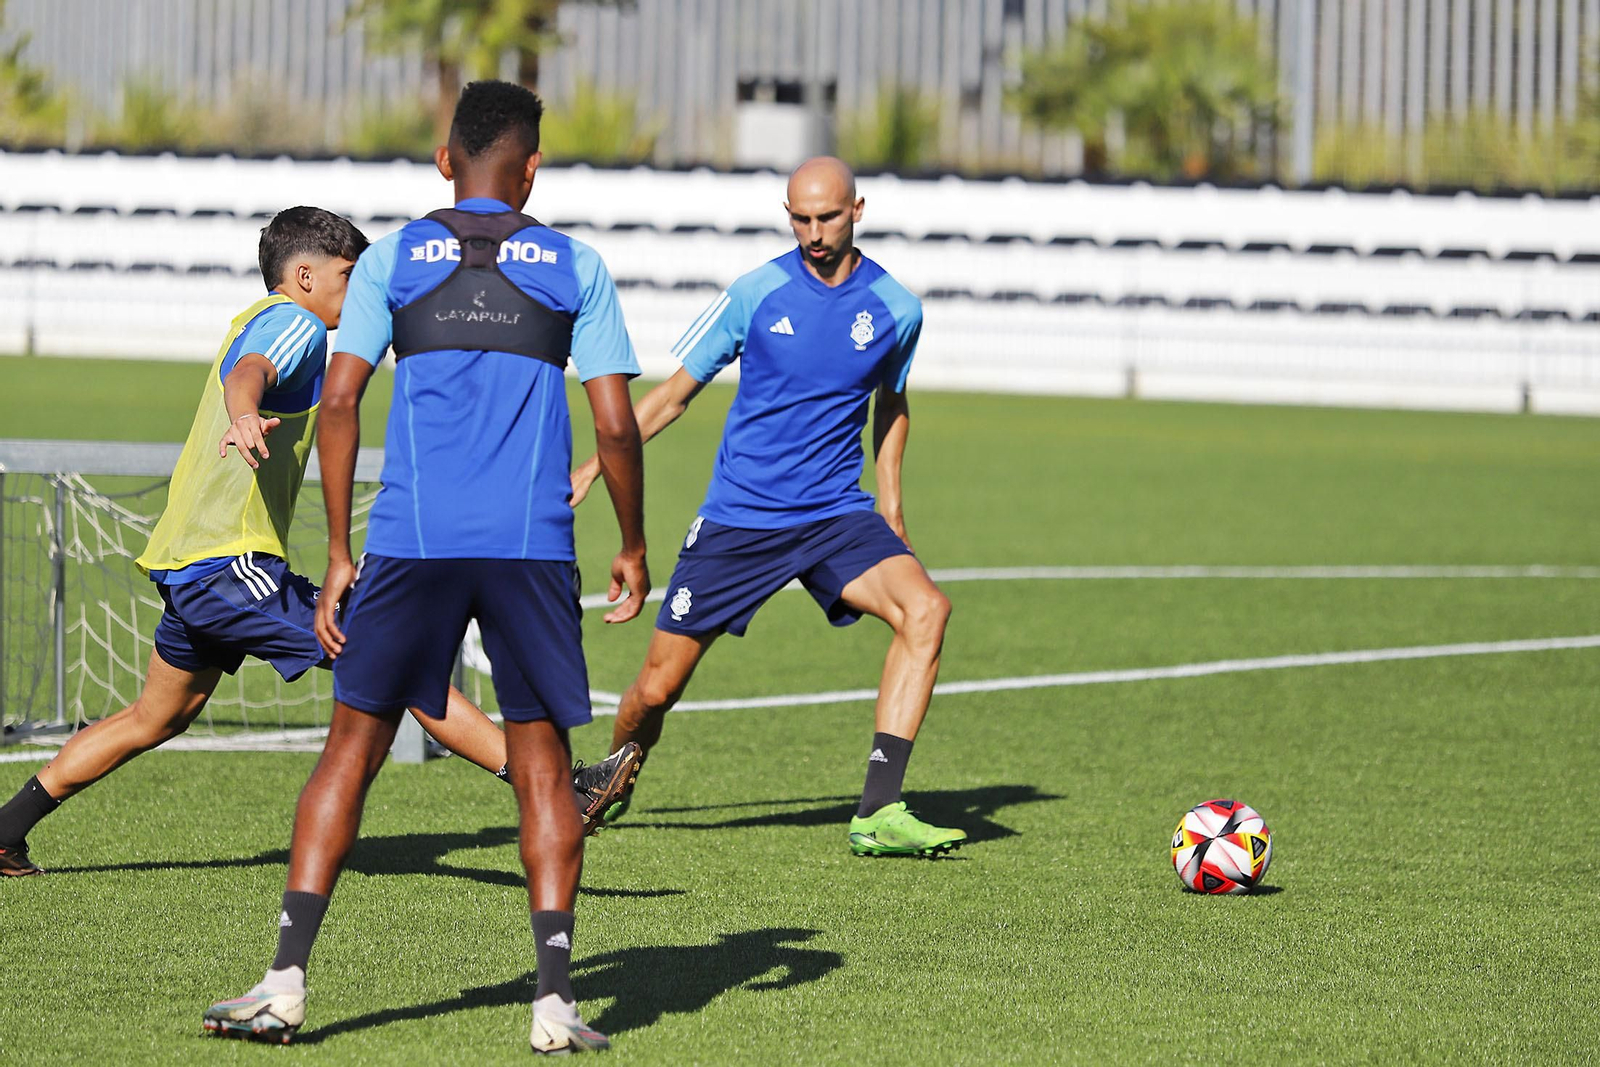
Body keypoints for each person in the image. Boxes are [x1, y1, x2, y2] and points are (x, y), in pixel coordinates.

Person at [203, 81, 648, 1054]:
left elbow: (339, 398)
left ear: (444, 159)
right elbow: (615, 422)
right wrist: (631, 542)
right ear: (531, 169)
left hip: (410, 541)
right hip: (531, 545)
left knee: (349, 752)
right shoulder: (576, 263)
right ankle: (553, 1003)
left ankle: (283, 983)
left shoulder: (395, 257)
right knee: (539, 767)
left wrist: (332, 553)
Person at [0, 210, 638, 881]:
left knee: (154, 715)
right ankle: (559, 789)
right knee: (397, 657)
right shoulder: (296, 323)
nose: (358, 289)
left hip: (194, 565)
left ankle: (7, 829)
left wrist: (245, 402)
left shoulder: (255, 315)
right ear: (305, 275)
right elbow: (250, 371)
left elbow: (246, 363)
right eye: (348, 275)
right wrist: (245, 407)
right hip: (227, 566)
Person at [569, 156, 965, 859]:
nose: (813, 232)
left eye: (828, 217)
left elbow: (892, 403)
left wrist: (893, 504)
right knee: (656, 690)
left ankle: (879, 808)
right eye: (800, 218)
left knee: (927, 610)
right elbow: (670, 395)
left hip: (835, 516)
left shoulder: (897, 308)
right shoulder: (756, 293)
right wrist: (598, 463)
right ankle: (612, 769)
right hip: (739, 520)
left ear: (858, 209)